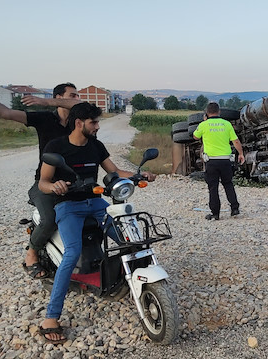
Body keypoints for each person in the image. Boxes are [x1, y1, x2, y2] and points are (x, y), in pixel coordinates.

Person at [37, 102, 155, 343]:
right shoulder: (56, 147)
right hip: (68, 205)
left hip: (97, 203)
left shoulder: (96, 146)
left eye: (98, 122)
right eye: (94, 122)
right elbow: (43, 182)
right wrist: (54, 186)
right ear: (79, 122)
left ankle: (135, 281)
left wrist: (138, 175)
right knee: (72, 253)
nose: (97, 126)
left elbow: (114, 170)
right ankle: (51, 317)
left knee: (131, 239)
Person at [0, 83, 81, 280]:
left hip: (76, 183)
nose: (75, 99)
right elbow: (5, 112)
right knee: (49, 220)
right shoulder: (45, 118)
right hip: (45, 182)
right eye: (72, 95)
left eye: (76, 96)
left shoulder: (80, 121)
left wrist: (46, 101)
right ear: (59, 96)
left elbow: (83, 104)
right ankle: (32, 254)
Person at [192, 102, 245, 220]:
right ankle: (234, 208)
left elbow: (195, 136)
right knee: (228, 184)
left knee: (213, 187)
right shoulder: (226, 124)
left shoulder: (203, 125)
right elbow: (236, 141)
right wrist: (241, 154)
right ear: (219, 112)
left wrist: (204, 121)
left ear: (207, 113)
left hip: (211, 161)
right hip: (226, 160)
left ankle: (215, 214)